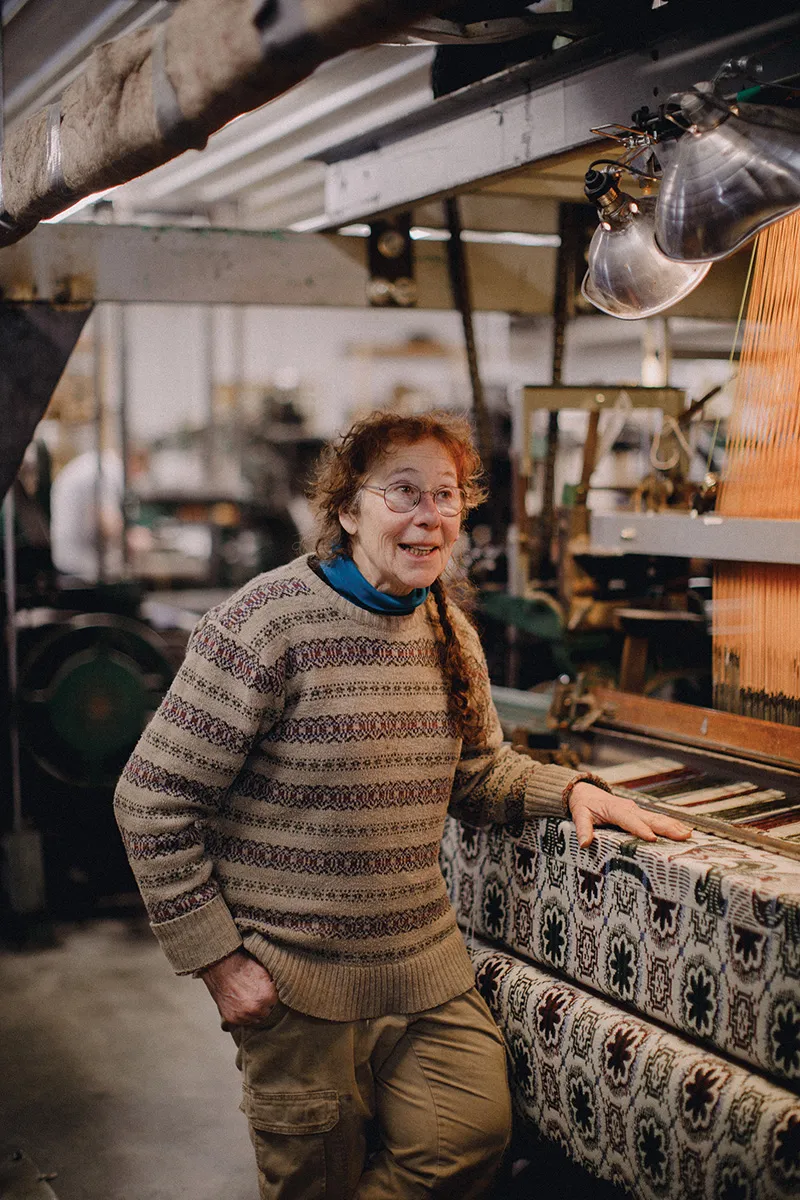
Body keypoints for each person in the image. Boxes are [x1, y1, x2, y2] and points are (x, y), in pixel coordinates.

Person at [114, 410, 690, 1200]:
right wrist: (218, 961)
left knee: (469, 1133)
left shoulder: (447, 628)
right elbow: (151, 801)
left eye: (447, 496)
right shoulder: (263, 623)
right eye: (404, 492)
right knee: (314, 1176)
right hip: (296, 982)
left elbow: (480, 776)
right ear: (348, 511)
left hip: (423, 968)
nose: (430, 516)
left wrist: (577, 789)